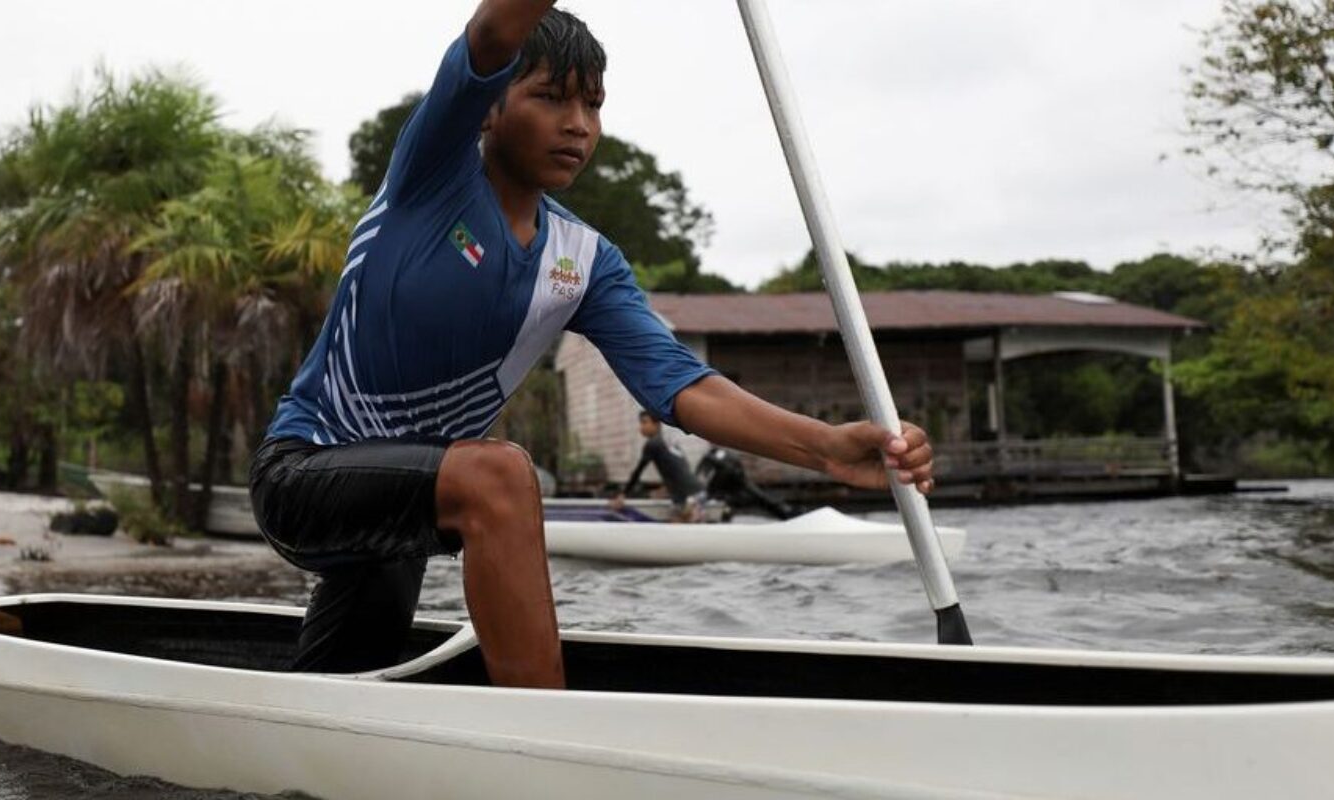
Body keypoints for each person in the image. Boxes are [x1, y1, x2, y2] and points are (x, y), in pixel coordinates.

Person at [248, 0, 935, 691]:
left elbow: (683, 387)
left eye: (593, 105)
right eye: (549, 98)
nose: (577, 124)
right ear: (489, 108)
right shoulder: (434, 173)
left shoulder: (585, 261)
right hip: (306, 474)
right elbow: (493, 31)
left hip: (405, 514)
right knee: (500, 476)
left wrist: (826, 450)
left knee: (335, 691)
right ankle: (545, 732)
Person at [613, 410, 704, 522]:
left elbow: (638, 471)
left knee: (676, 532)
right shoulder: (667, 442)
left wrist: (623, 494)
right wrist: (667, 487)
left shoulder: (653, 444)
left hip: (685, 497)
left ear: (657, 424)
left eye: (644, 422)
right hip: (696, 492)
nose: (641, 427)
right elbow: (680, 467)